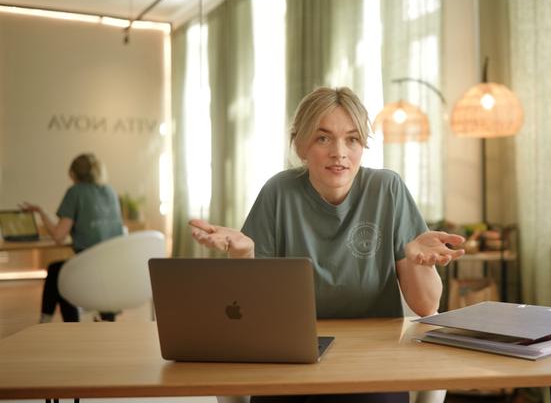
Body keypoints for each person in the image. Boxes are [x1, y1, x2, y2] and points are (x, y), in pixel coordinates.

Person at [190, 87, 465, 403]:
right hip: (291, 357)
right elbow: (249, 314)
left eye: (352, 139)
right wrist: (244, 256)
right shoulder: (278, 192)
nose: (339, 152)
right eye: (323, 138)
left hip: (372, 360)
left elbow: (427, 307)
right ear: (301, 145)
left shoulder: (387, 189)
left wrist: (419, 263)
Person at [22, 153, 124, 323]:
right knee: (61, 271)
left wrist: (40, 212)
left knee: (58, 273)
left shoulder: (76, 192)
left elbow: (58, 236)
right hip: (113, 268)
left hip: (91, 268)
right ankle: (106, 317)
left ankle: (48, 322)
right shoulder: (110, 191)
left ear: (72, 174)